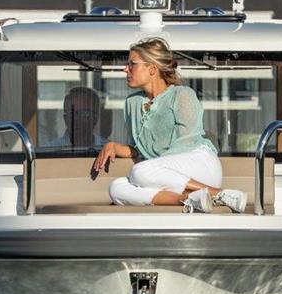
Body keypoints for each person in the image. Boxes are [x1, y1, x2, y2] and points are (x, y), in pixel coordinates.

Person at [93, 37, 247, 213]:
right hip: (163, 173)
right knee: (116, 187)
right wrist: (116, 146)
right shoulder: (132, 103)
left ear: (152, 69)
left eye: (131, 64)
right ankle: (189, 200)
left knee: (139, 172)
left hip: (199, 163)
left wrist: (152, 168)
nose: (125, 69)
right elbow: (144, 148)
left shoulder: (183, 95)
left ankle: (220, 194)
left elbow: (185, 143)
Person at [43, 86, 109, 149]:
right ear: (65, 118)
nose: (76, 119)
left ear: (95, 118)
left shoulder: (109, 151)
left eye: (83, 113)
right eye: (71, 113)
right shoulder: (48, 152)